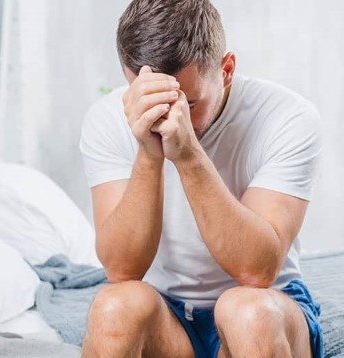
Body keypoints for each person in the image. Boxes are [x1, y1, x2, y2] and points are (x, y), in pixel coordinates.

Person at [79, 0, 323, 357]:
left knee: (247, 313)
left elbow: (257, 272)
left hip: (268, 305)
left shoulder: (288, 117)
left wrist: (189, 155)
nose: (168, 119)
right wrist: (149, 153)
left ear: (226, 70)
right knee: (113, 308)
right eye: (151, 100)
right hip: (168, 314)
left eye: (188, 104)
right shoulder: (106, 118)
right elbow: (121, 268)